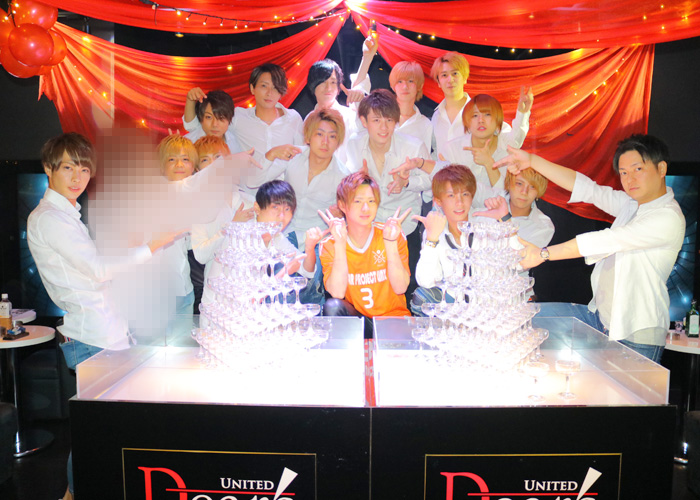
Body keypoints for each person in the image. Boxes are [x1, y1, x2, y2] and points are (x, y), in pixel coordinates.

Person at [27, 133, 180, 500]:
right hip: (92, 336)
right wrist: (151, 246)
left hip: (101, 331)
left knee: (101, 428)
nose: (77, 177)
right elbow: (97, 270)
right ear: (48, 168)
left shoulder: (64, 215)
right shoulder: (50, 218)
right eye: (68, 167)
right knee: (96, 430)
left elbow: (92, 271)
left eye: (84, 169)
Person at [496, 134, 685, 363]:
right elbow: (588, 189)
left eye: (638, 169)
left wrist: (543, 254)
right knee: (521, 318)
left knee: (620, 392)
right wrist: (533, 161)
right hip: (600, 320)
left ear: (661, 168)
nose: (629, 179)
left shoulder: (667, 217)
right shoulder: (631, 205)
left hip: (637, 335)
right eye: (624, 173)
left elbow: (606, 240)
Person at [183, 63, 304, 193]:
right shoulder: (239, 117)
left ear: (281, 92)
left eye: (275, 88)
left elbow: (301, 157)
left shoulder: (293, 118)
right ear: (252, 88)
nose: (269, 93)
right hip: (249, 194)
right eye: (264, 86)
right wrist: (190, 101)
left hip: (284, 193)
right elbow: (200, 126)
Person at [319, 172, 412, 337]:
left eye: (371, 201)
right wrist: (340, 244)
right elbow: (337, 293)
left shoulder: (391, 234)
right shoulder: (330, 244)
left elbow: (400, 287)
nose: (366, 208)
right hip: (359, 320)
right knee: (333, 307)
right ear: (342, 205)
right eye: (358, 201)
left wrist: (390, 242)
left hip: (393, 319)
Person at [409, 164, 508, 314]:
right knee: (421, 297)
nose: (460, 203)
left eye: (465, 194)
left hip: (489, 305)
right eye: (451, 196)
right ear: (438, 201)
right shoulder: (436, 228)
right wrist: (432, 239)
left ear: (472, 196)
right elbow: (426, 281)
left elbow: (516, 262)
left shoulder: (486, 221)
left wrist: (505, 219)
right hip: (454, 307)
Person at [264, 108, 349, 248]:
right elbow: (255, 181)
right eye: (319, 134)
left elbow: (348, 218)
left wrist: (342, 216)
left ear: (338, 142)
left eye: (332, 136)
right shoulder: (293, 155)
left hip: (318, 241)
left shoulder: (343, 177)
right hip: (282, 234)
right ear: (308, 137)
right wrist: (271, 155)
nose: (325, 142)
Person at [189, 136, 255, 312]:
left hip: (250, 293)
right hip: (217, 296)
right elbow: (201, 255)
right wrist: (229, 228)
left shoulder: (250, 201)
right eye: (205, 160)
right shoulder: (198, 206)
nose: (214, 165)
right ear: (197, 169)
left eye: (218, 158)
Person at [443, 90, 533, 189]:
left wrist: (522, 113)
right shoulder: (453, 149)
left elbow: (517, 136)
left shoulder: (506, 145)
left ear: (498, 122)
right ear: (467, 123)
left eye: (487, 114)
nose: (481, 120)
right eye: (475, 115)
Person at [503, 168, 554, 299]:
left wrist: (504, 218)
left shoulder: (543, 225)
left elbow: (519, 263)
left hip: (514, 297)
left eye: (532, 187)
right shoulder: (490, 202)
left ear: (539, 192)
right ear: (508, 184)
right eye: (519, 183)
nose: (524, 192)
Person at [389, 60, 433, 151]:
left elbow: (424, 157)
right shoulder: (381, 115)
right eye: (400, 81)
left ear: (419, 86)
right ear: (393, 86)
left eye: (410, 81)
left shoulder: (425, 124)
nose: (405, 86)